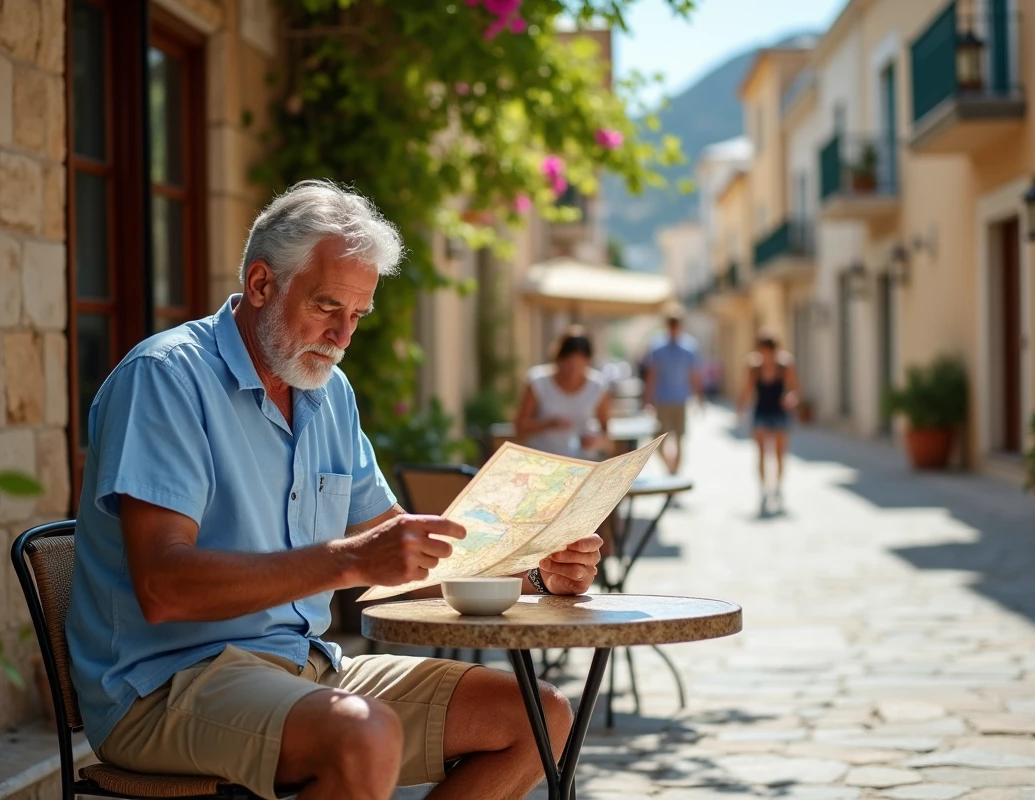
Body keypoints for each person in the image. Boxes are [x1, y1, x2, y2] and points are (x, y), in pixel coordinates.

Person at [66, 180, 603, 800]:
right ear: (263, 284)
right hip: (167, 686)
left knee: (539, 719)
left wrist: (535, 573)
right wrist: (351, 560)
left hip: (310, 669)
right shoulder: (166, 379)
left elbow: (405, 558)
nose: (343, 335)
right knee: (364, 735)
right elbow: (163, 587)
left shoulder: (326, 392)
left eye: (357, 315)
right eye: (327, 306)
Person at [513, 326, 611, 459]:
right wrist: (549, 424)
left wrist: (595, 441)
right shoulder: (538, 381)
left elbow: (606, 433)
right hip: (542, 460)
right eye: (569, 365)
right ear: (558, 359)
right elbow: (519, 427)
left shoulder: (598, 385)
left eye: (579, 366)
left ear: (588, 362)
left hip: (582, 461)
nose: (573, 373)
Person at [736, 332, 800, 512]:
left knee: (780, 454)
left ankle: (778, 487)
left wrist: (791, 398)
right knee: (762, 453)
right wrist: (740, 409)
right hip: (761, 412)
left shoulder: (785, 365)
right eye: (763, 350)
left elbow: (795, 389)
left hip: (780, 413)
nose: (766, 354)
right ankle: (763, 489)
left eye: (769, 350)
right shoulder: (753, 367)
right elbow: (747, 389)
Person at [642, 313, 704, 475]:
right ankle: (670, 470)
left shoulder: (689, 347)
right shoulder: (657, 347)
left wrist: (699, 397)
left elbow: (694, 374)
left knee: (679, 439)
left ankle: (675, 473)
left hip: (680, 399)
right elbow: (652, 375)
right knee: (659, 441)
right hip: (662, 400)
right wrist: (647, 399)